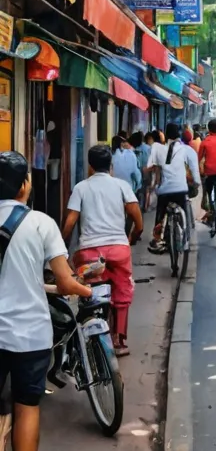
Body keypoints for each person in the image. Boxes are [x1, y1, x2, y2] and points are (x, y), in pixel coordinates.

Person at [0, 151, 91, 451]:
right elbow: (66, 280)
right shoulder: (40, 223)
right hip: (28, 336)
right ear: (25, 185)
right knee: (26, 408)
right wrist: (88, 290)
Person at [62, 144, 142, 356]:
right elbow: (137, 217)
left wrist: (62, 247)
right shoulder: (121, 186)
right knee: (122, 292)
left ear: (90, 166)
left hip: (89, 252)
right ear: (111, 166)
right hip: (118, 250)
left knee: (89, 292)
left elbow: (70, 222)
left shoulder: (81, 187)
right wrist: (132, 237)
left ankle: (90, 337)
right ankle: (120, 341)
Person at [148, 123, 199, 254]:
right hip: (181, 190)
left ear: (165, 135)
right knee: (184, 210)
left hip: (164, 192)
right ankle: (186, 234)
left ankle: (158, 239)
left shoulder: (158, 149)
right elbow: (194, 170)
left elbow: (153, 168)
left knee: (161, 213)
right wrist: (197, 183)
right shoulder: (186, 150)